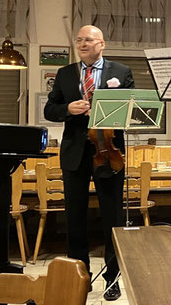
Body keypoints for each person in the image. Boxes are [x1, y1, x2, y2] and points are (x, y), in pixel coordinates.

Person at [44, 25, 134, 301]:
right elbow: (50, 109)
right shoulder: (64, 73)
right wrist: (67, 109)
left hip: (109, 150)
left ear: (102, 44)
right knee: (75, 218)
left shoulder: (121, 72)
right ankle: (77, 276)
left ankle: (113, 278)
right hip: (74, 154)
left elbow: (131, 108)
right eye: (79, 40)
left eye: (88, 40)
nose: (82, 44)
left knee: (112, 218)